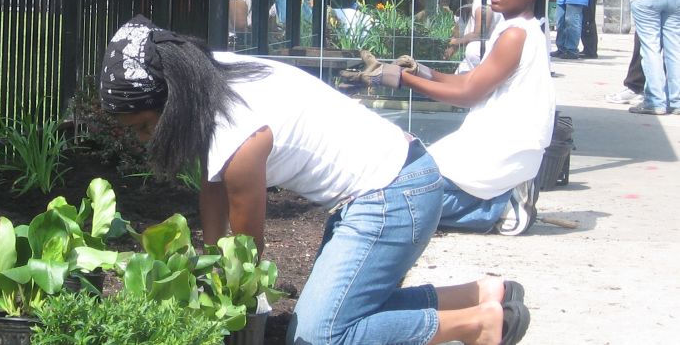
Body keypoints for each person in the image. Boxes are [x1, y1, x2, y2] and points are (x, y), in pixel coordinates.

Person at [99, 17, 531, 345]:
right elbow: (212, 189)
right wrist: (208, 265)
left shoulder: (238, 134)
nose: (143, 139)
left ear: (170, 101)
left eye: (142, 125)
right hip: (394, 180)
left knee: (321, 336)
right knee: (345, 312)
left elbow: (247, 253)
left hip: (393, 196)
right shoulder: (211, 77)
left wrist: (231, 300)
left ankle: (477, 325)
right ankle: (481, 293)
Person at [347, 0, 554, 237]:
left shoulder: (516, 35)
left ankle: (500, 207)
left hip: (501, 150)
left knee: (392, 204)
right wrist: (422, 71)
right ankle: (495, 199)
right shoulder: (516, 28)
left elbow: (468, 95)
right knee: (397, 191)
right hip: (493, 145)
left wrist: (401, 79)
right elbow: (471, 81)